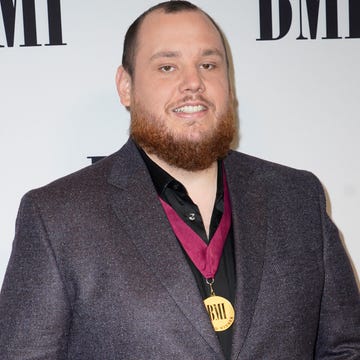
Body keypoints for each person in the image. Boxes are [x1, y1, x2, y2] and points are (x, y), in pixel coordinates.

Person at [0, 1, 359, 359]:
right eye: (167, 67)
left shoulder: (298, 198)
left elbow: (345, 346)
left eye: (208, 65)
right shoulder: (56, 217)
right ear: (126, 86)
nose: (194, 83)